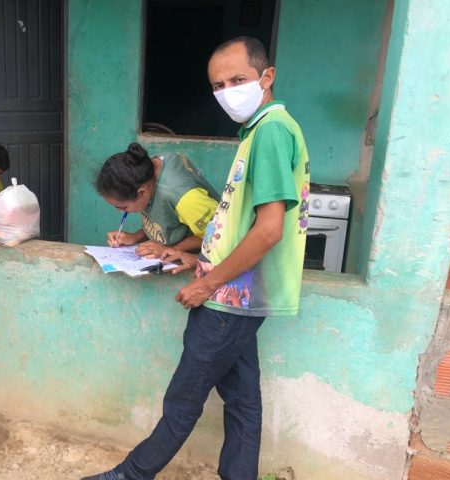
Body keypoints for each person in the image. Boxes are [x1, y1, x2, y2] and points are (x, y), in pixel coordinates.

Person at [83, 36, 310, 480]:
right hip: (239, 291)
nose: (227, 92)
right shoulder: (263, 130)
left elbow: (269, 229)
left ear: (267, 77)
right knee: (242, 399)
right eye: (218, 85)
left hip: (230, 296)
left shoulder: (270, 132)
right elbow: (238, 224)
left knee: (183, 400)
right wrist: (195, 261)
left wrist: (207, 282)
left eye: (237, 80)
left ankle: (131, 474)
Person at [96, 143, 220, 258]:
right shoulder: (147, 169)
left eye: (124, 207)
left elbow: (217, 234)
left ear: (142, 192)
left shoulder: (185, 198)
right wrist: (135, 237)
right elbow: (165, 221)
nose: (121, 211)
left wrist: (171, 249)